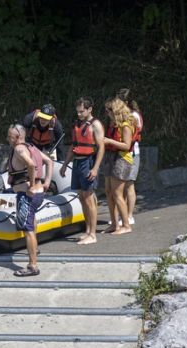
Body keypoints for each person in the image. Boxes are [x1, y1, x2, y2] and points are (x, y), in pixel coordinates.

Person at [6, 124, 53, 277]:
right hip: (38, 194)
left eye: (10, 136)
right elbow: (49, 161)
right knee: (31, 222)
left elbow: (31, 165)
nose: (8, 139)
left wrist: (32, 186)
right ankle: (35, 249)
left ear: (18, 137)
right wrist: (47, 182)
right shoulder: (31, 147)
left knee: (28, 230)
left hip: (28, 195)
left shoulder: (19, 149)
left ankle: (33, 266)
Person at [59, 97, 105, 245]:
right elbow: (74, 145)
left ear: (90, 109)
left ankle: (93, 234)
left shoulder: (95, 125)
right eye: (77, 111)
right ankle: (87, 230)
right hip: (77, 162)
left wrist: (95, 168)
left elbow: (101, 147)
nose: (79, 114)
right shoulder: (77, 124)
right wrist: (65, 164)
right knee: (81, 197)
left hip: (88, 161)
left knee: (89, 198)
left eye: (82, 111)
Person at [101, 98, 135, 235]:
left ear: (116, 111)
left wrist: (109, 141)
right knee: (109, 192)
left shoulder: (126, 125)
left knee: (117, 194)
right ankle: (114, 224)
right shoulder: (113, 124)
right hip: (111, 158)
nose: (107, 113)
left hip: (122, 160)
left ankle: (126, 224)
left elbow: (127, 146)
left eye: (109, 111)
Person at [115, 88, 142, 228]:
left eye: (119, 102)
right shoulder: (123, 115)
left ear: (126, 102)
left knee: (129, 184)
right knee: (122, 185)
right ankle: (122, 215)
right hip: (123, 153)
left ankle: (129, 216)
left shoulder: (133, 116)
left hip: (132, 153)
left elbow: (130, 137)